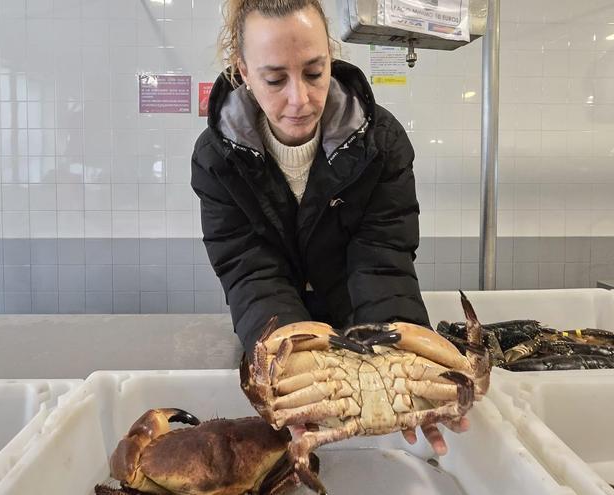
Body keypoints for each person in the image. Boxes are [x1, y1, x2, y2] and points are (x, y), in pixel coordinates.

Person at [190, 0, 469, 456]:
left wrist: (395, 361)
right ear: (242, 70)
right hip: (281, 339)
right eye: (275, 79)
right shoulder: (217, 159)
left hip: (363, 331)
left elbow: (383, 259)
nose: (299, 100)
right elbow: (249, 269)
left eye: (315, 73)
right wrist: (293, 357)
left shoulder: (380, 142)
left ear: (331, 58)